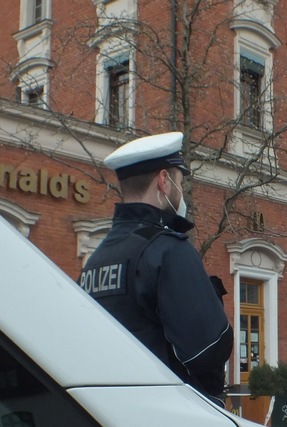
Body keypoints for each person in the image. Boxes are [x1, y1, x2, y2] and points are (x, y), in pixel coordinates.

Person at [78, 131, 232, 401]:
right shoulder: (168, 249)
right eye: (180, 183)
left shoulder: (97, 257)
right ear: (164, 181)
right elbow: (209, 349)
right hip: (173, 411)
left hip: (114, 409)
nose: (181, 192)